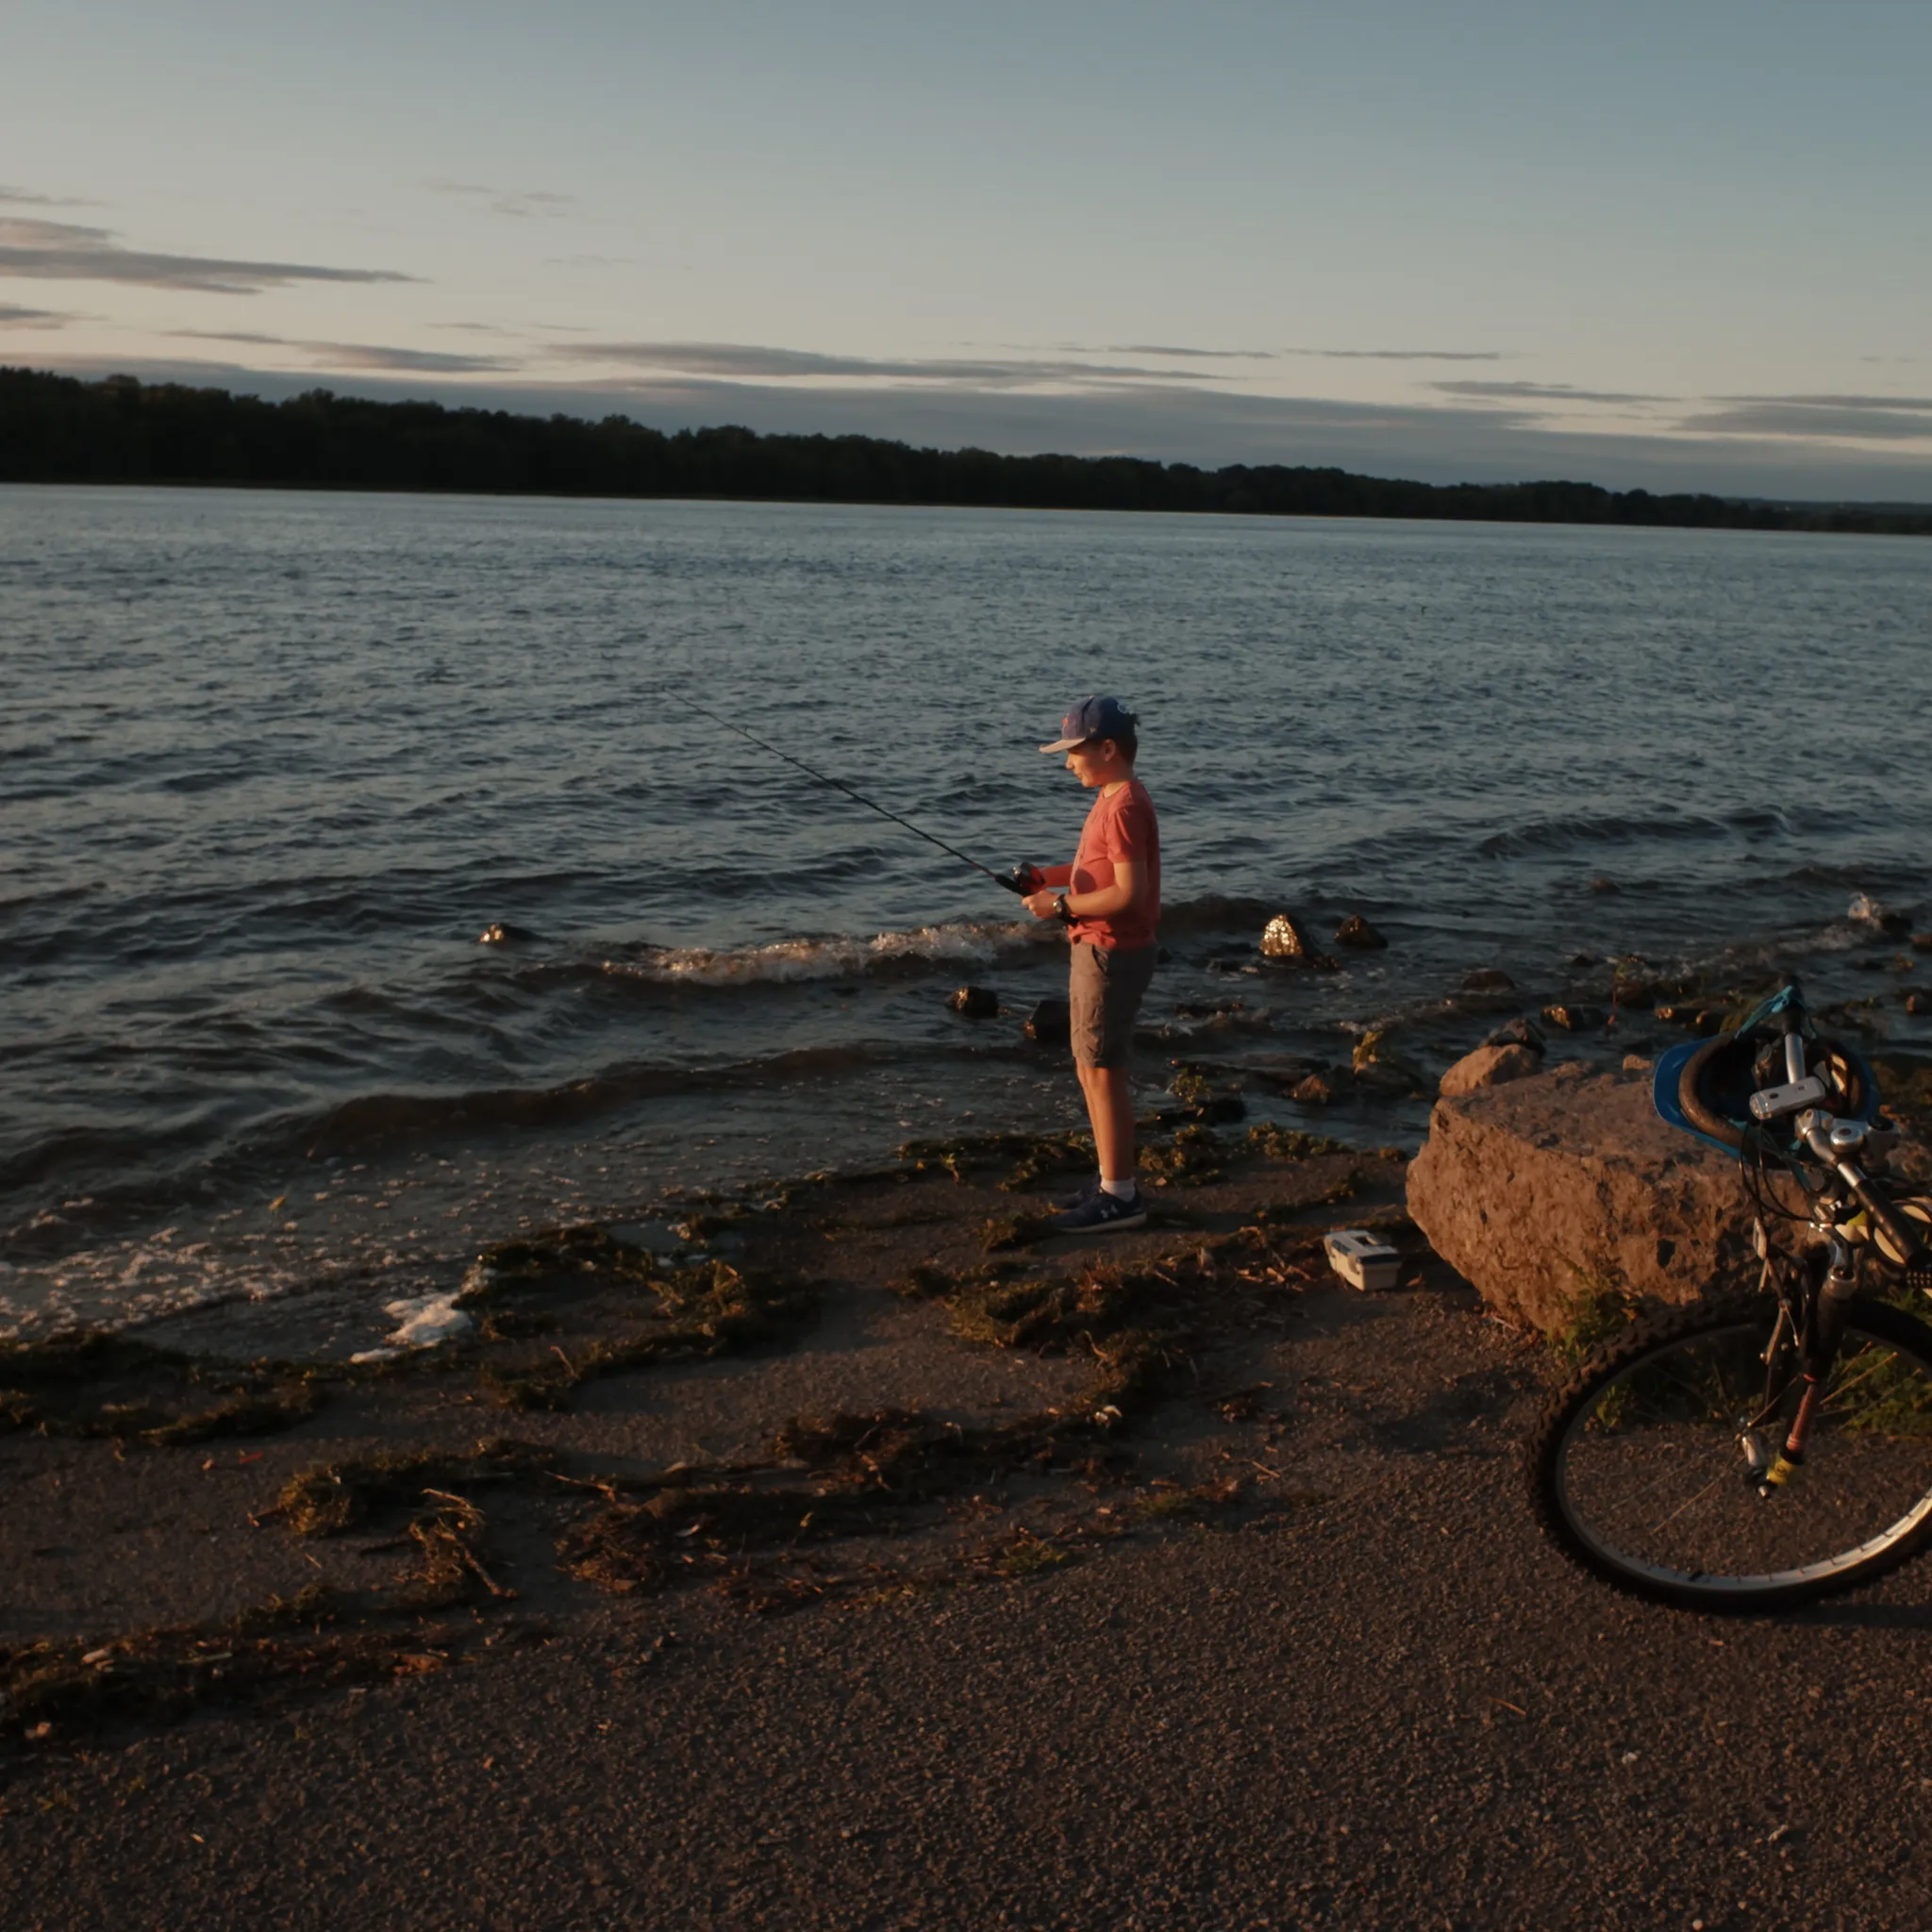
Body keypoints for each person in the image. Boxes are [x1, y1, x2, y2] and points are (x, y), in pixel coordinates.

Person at [1020, 695, 1160, 1233]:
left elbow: (1128, 893)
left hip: (1112, 952)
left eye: (1074, 751)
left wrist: (1058, 907)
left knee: (1104, 1072)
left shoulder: (1123, 806)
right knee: (1089, 1066)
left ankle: (1121, 1197)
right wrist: (1047, 876)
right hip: (1098, 948)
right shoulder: (1113, 796)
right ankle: (1110, 1180)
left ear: (1107, 748)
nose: (1067, 762)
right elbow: (1092, 868)